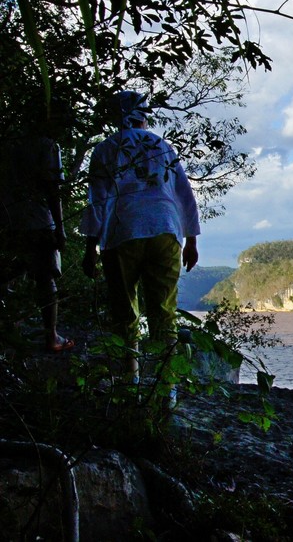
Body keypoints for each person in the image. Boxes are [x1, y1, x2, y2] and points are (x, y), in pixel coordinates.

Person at [81, 91, 200, 381]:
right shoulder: (162, 146)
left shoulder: (105, 149)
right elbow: (183, 192)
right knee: (164, 311)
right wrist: (192, 240)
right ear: (143, 116)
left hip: (123, 232)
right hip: (166, 229)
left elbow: (98, 200)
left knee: (125, 311)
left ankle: (130, 380)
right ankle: (165, 386)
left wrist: (90, 247)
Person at [0, 100, 74, 352]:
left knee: (11, 271)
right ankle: (51, 336)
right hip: (38, 220)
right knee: (46, 276)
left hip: (9, 219)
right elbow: (52, 190)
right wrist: (60, 228)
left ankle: (10, 326)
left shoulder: (9, 143)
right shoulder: (47, 146)